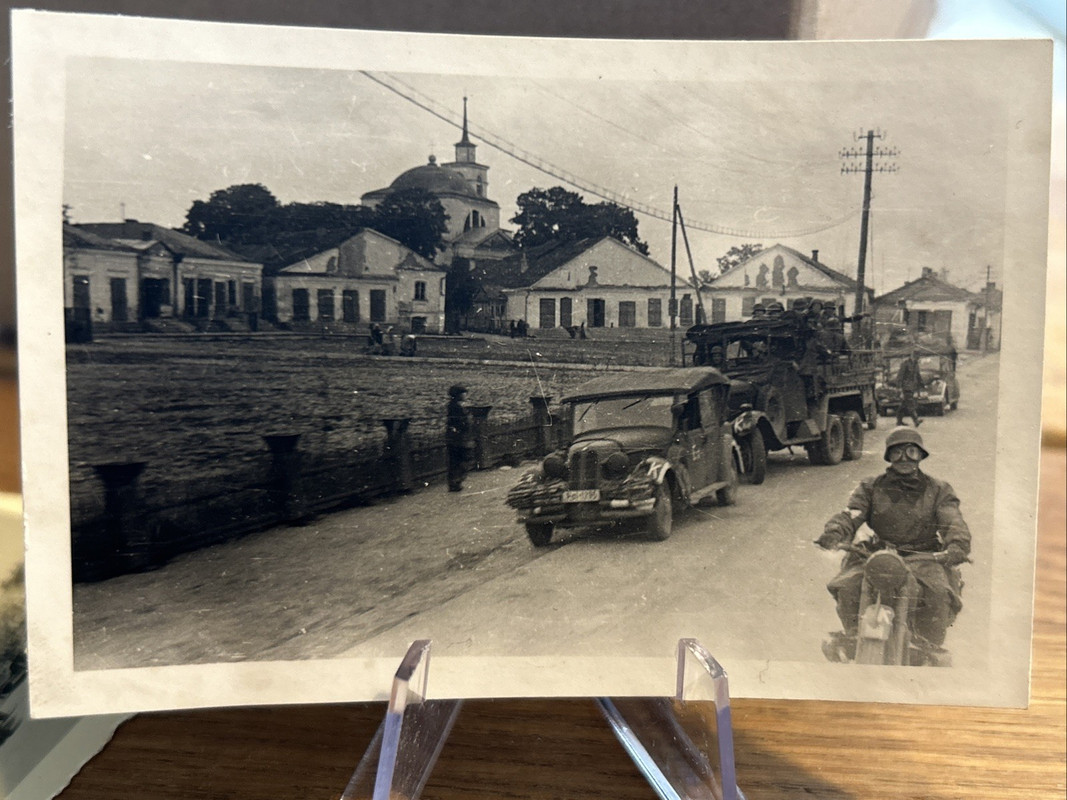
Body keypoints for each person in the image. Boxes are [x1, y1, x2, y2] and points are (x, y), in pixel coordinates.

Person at [815, 427, 971, 661]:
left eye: (911, 452)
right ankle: (854, 634)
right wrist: (835, 532)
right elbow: (852, 513)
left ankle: (928, 645)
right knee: (847, 586)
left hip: (923, 557)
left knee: (939, 594)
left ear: (921, 455)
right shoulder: (871, 487)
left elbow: (952, 520)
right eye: (898, 452)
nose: (905, 459)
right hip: (878, 555)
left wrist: (957, 544)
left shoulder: (939, 489)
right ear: (889, 456)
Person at [445, 384, 472, 492]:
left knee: (455, 460)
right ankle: (456, 482)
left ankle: (455, 482)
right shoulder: (457, 407)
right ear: (458, 395)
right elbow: (462, 423)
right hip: (458, 439)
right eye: (463, 393)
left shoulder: (453, 406)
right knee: (461, 459)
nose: (465, 395)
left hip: (455, 438)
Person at [893, 349, 925, 427]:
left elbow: (918, 375)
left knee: (904, 405)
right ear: (913, 355)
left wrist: (922, 384)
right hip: (906, 387)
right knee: (910, 404)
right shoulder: (905, 363)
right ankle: (916, 420)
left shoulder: (916, 364)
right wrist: (899, 387)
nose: (918, 358)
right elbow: (900, 376)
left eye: (919, 357)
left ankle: (899, 421)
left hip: (912, 387)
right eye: (917, 357)